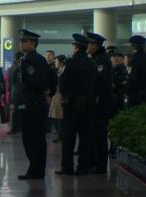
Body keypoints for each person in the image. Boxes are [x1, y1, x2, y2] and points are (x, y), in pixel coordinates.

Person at [55, 34, 97, 176]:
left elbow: (63, 83)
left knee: (69, 137)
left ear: (76, 47)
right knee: (85, 137)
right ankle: (83, 168)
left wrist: (67, 96)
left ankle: (67, 167)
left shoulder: (71, 63)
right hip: (89, 104)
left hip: (72, 104)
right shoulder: (92, 63)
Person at [17, 29, 49, 180]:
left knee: (31, 138)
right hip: (36, 102)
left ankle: (35, 170)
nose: (21, 43)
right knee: (37, 138)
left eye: (24, 41)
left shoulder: (31, 60)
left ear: (32, 43)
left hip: (32, 103)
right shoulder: (39, 59)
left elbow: (35, 81)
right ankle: (36, 169)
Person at [86, 32, 114, 174]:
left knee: (100, 135)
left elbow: (100, 82)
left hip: (101, 102)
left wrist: (95, 96)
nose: (87, 46)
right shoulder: (96, 58)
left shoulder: (102, 60)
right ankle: (94, 163)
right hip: (96, 102)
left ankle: (101, 165)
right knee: (94, 134)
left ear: (95, 45)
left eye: (89, 44)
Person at [126, 35, 146, 107]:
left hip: (136, 94)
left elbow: (132, 77)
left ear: (133, 46)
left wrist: (127, 91)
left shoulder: (133, 60)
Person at [48, 55, 67, 143]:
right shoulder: (58, 71)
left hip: (61, 96)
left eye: (56, 61)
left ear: (61, 62)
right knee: (56, 117)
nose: (55, 63)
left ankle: (62, 136)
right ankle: (60, 135)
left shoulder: (65, 71)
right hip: (56, 95)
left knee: (61, 117)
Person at [9, 52, 24, 134]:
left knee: (22, 110)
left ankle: (20, 128)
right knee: (15, 112)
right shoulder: (14, 69)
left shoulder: (24, 69)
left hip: (22, 95)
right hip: (16, 95)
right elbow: (13, 83)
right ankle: (15, 128)